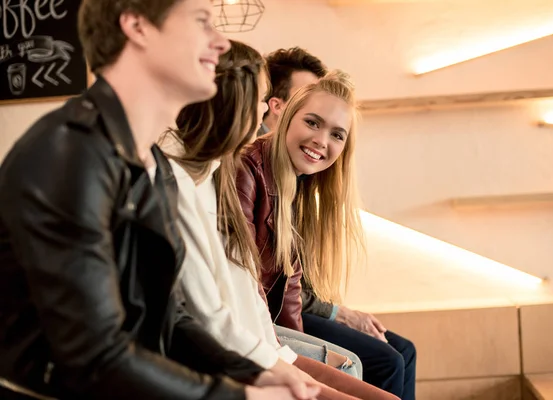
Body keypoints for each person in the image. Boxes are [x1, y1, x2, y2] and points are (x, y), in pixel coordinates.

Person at [0, 2, 317, 399]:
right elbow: (95, 359)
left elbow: (171, 315)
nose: (221, 43)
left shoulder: (155, 165)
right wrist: (239, 396)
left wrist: (251, 372)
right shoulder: (68, 157)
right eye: (202, 21)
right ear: (137, 27)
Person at [163, 39, 398, 400]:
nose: (265, 113)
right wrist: (283, 365)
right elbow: (217, 313)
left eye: (337, 134)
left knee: (380, 364)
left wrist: (286, 355)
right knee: (367, 363)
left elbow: (268, 291)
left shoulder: (258, 177)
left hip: (256, 340)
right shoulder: (212, 177)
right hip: (233, 353)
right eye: (263, 101)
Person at [241, 58, 417, 400]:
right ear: (285, 114)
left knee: (397, 353)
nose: (322, 141)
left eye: (336, 134)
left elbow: (291, 285)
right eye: (312, 122)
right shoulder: (248, 169)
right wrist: (293, 358)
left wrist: (303, 347)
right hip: (248, 328)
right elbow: (246, 285)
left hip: (269, 324)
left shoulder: (297, 182)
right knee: (366, 363)